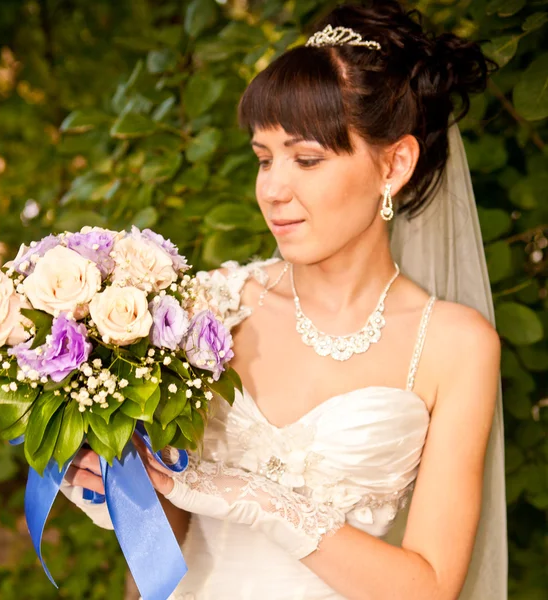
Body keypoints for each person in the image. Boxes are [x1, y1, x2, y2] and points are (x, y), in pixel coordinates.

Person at [61, 1, 508, 598]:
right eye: (264, 159)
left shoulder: (457, 346)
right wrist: (125, 494)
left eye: (307, 159)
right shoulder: (208, 308)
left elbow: (428, 586)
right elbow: (165, 542)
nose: (273, 189)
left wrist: (259, 500)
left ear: (394, 164)